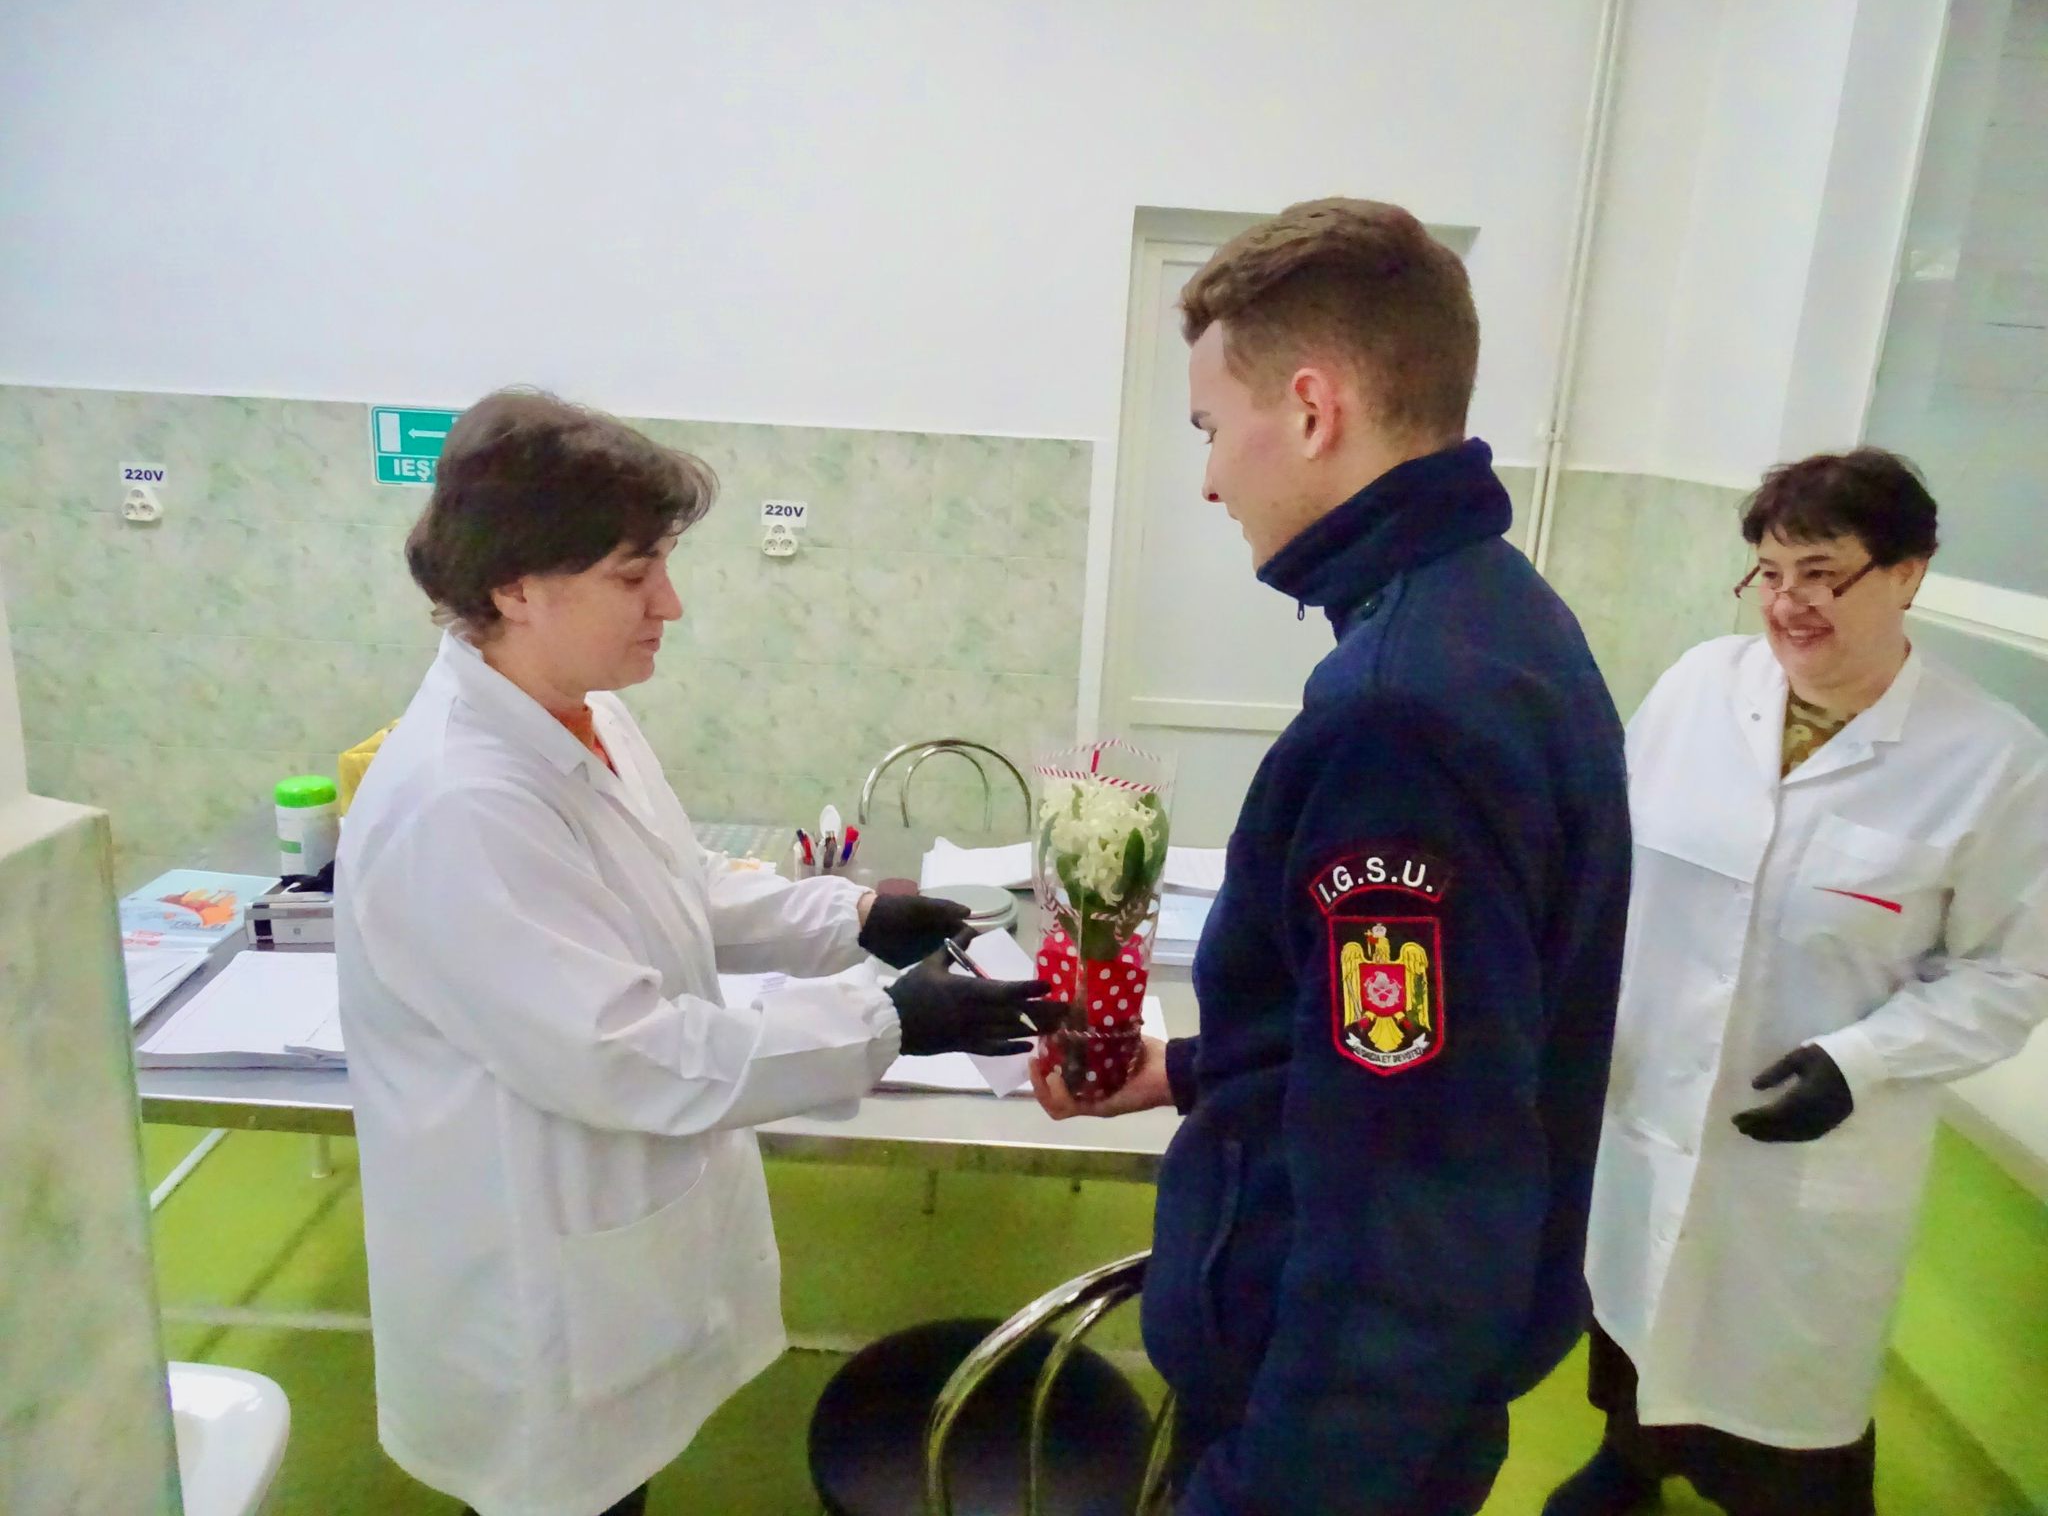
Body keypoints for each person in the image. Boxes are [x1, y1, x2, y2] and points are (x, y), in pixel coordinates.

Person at [335, 390, 1053, 1516]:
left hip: (610, 1241)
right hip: (533, 1284)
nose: (670, 603)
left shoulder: (579, 711)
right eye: (634, 575)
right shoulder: (459, 802)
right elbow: (624, 1052)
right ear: (515, 587)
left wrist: (855, 918)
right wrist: (888, 1022)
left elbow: (675, 880)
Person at [1031, 198, 1632, 1514]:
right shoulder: (1496, 618)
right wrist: (1192, 1068)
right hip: (1399, 1399)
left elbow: (1411, 1184)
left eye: (1208, 428)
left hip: (1335, 1433)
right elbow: (1430, 1047)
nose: (1206, 481)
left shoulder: (1400, 714)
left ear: (1310, 409)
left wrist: (1273, 1493)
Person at [1545, 449, 2048, 1516]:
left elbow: (2011, 972)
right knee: (1633, 1317)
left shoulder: (1995, 761)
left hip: (1812, 1155)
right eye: (1769, 574)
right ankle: (1630, 1459)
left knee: (1787, 1413)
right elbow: (1607, 860)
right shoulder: (1698, 686)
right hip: (1648, 1105)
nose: (1786, 604)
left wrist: (1859, 1061)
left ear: (1907, 573)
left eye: (1821, 574)